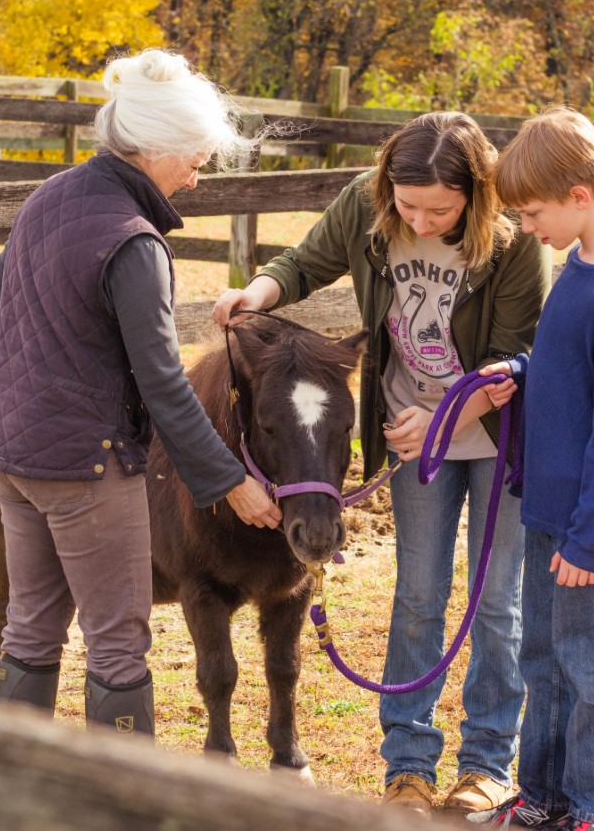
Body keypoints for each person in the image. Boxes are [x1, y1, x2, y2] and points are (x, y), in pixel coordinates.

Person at [213, 112, 553, 819]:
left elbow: (513, 359)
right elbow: (304, 262)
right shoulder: (368, 208)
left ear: (476, 195)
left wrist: (445, 420)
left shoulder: (516, 245)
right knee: (418, 594)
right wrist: (258, 295)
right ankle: (408, 761)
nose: (422, 221)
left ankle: (487, 760)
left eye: (441, 208)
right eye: (408, 205)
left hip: (496, 432)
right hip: (408, 437)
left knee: (496, 601)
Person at [0, 49, 281, 739]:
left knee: (31, 623)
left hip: (9, 451)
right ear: (154, 148)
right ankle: (121, 803)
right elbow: (165, 386)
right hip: (85, 464)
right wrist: (233, 484)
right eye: (194, 160)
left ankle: (16, 782)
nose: (198, 176)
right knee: (116, 641)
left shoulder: (49, 196)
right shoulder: (135, 242)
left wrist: (51, 371)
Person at [469, 106, 594, 831]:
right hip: (551, 506)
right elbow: (566, 371)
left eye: (533, 211)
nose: (525, 227)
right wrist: (518, 369)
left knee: (588, 665)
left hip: (590, 528)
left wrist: (588, 541)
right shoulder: (577, 269)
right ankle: (544, 795)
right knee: (540, 656)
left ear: (581, 195)